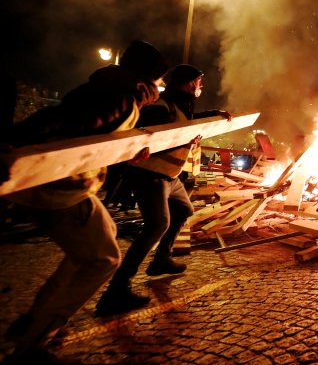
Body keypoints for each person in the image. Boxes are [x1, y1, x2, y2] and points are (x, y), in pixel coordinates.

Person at [1, 40, 168, 363]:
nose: (160, 87)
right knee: (102, 259)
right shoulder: (119, 95)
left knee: (95, 247)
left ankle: (34, 319)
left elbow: (95, 140)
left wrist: (127, 153)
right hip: (59, 190)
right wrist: (12, 142)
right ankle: (34, 342)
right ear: (144, 79)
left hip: (74, 186)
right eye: (158, 80)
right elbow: (63, 120)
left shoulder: (114, 90)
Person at [94, 64, 231, 316]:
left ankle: (160, 260)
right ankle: (116, 291)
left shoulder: (181, 106)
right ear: (190, 82)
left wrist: (217, 115)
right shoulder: (162, 105)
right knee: (157, 224)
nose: (201, 86)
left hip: (170, 176)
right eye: (199, 81)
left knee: (184, 209)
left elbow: (187, 124)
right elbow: (146, 138)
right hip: (150, 174)